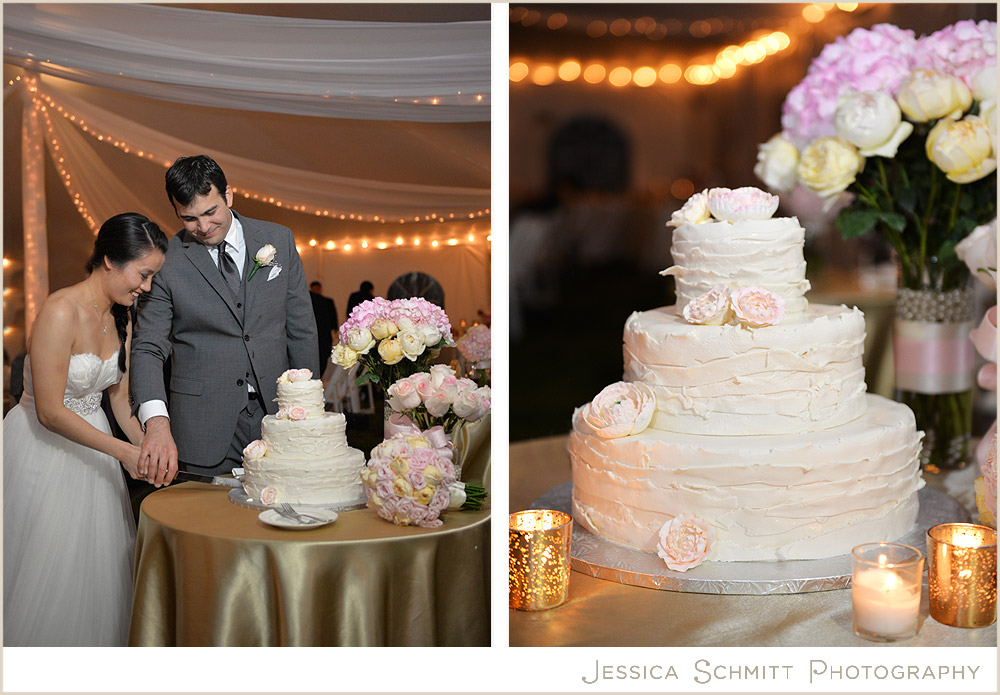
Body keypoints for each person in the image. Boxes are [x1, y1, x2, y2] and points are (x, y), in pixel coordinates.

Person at [3, 213, 168, 646]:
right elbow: (50, 412)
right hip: (42, 449)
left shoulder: (121, 316)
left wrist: (148, 445)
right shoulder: (60, 310)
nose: (147, 286)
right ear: (110, 260)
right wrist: (122, 452)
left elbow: (119, 400)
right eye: (143, 274)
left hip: (96, 449)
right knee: (47, 567)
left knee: (92, 570)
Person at [131, 155, 319, 481]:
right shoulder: (166, 261)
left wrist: (309, 406)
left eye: (210, 212)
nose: (203, 228)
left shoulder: (279, 240)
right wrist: (156, 423)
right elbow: (148, 346)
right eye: (189, 218)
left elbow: (301, 330)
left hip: (279, 415)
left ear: (228, 195)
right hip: (202, 426)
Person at [309, 281, 338, 372]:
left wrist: (334, 329)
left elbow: (333, 317)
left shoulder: (327, 301)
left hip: (324, 335)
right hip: (314, 335)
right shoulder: (308, 301)